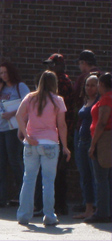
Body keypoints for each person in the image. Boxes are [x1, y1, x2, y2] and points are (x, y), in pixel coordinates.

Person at [16, 70, 70, 226]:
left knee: (28, 179)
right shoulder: (57, 100)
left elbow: (19, 115)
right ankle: (49, 215)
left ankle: (24, 215)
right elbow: (62, 125)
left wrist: (26, 136)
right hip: (50, 143)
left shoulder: (30, 97)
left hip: (32, 143)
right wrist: (65, 146)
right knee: (48, 181)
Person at [0, 62, 30, 208]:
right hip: (1, 129)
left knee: (14, 160)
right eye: (1, 73)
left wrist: (13, 113)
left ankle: (22, 194)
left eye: (5, 72)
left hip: (14, 128)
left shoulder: (20, 87)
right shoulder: (2, 88)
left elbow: (28, 104)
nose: (3, 75)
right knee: (0, 162)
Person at [71, 49, 101, 214]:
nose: (89, 87)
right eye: (87, 85)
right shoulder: (86, 98)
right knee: (85, 173)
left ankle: (96, 206)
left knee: (94, 174)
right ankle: (89, 206)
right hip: (82, 138)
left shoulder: (98, 98)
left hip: (92, 139)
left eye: (93, 85)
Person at [85, 72, 112, 223]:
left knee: (101, 178)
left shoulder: (107, 99)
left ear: (101, 85)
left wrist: (93, 144)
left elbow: (102, 123)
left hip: (104, 140)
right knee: (108, 178)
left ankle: (102, 212)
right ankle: (108, 211)